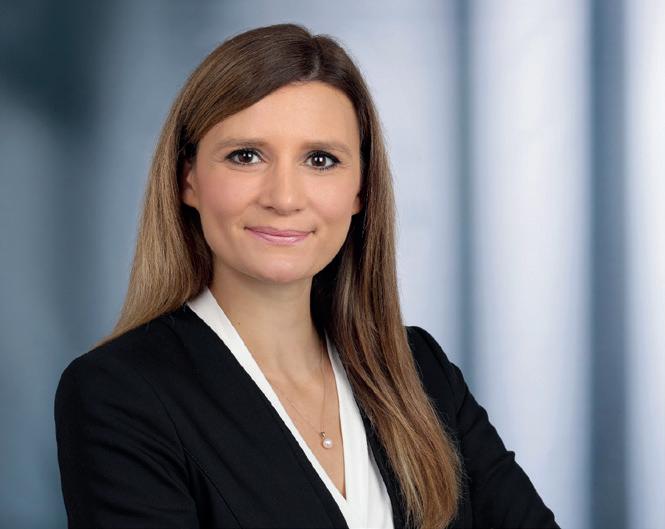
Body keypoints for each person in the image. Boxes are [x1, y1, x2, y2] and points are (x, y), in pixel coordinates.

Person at [54, 23, 559, 529]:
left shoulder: (421, 373)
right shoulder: (119, 393)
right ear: (188, 179)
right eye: (246, 156)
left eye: (321, 160)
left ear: (360, 189)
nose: (284, 197)